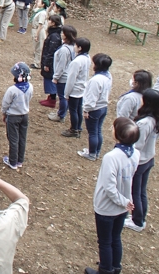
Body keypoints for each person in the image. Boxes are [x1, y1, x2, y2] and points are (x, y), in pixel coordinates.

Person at [84, 118, 140, 274]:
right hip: (123, 206)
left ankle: (105, 270)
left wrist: (122, 202)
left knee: (105, 241)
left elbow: (109, 188)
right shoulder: (136, 153)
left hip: (108, 207)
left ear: (118, 135)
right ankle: (115, 267)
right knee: (116, 238)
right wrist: (125, 202)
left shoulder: (112, 157)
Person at [125, 88, 159, 232]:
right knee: (141, 191)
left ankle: (137, 221)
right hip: (148, 158)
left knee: (135, 192)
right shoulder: (155, 118)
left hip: (140, 161)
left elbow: (138, 145)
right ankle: (140, 217)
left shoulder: (145, 123)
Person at [78, 54, 113, 161]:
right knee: (98, 130)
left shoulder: (96, 80)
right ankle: (96, 151)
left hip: (94, 109)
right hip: (103, 107)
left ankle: (92, 154)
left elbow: (91, 97)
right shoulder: (108, 76)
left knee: (92, 132)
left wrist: (86, 110)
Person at [2, 62, 33, 169]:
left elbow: (6, 104)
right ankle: (20, 160)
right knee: (22, 138)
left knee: (13, 138)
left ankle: (12, 161)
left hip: (13, 116)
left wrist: (4, 113)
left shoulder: (12, 90)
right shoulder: (30, 87)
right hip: (24, 115)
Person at [61, 37, 91, 138]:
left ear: (80, 48)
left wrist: (66, 93)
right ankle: (78, 127)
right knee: (78, 109)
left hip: (75, 89)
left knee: (73, 110)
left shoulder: (76, 62)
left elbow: (71, 79)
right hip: (82, 88)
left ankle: (74, 129)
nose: (74, 47)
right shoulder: (87, 58)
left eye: (75, 45)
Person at [48, 25, 77, 123]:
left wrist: (56, 77)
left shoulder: (64, 50)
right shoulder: (72, 47)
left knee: (62, 97)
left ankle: (61, 115)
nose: (61, 34)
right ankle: (61, 112)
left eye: (62, 33)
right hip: (67, 75)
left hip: (63, 77)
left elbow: (61, 65)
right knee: (64, 96)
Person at [39, 15, 63, 108]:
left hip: (50, 63)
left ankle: (52, 99)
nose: (48, 22)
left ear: (53, 23)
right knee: (48, 78)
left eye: (50, 20)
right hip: (48, 61)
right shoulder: (53, 33)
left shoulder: (54, 36)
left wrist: (47, 64)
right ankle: (50, 97)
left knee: (49, 79)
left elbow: (51, 51)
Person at [29, 0, 49, 69]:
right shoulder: (39, 10)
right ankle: (36, 61)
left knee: (39, 47)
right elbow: (33, 10)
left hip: (39, 30)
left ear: (43, 4)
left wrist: (36, 35)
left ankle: (38, 63)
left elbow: (40, 25)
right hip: (35, 29)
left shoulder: (42, 13)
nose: (38, 2)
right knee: (36, 46)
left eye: (40, 2)